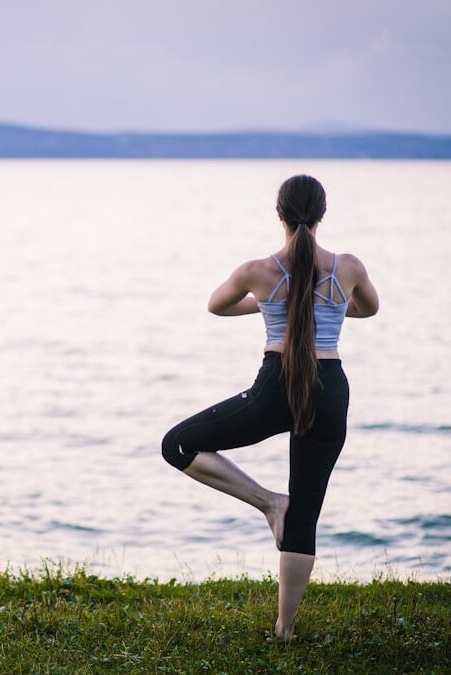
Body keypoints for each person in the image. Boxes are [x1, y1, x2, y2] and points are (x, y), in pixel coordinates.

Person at [160, 174, 380, 641]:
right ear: (323, 214)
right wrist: (332, 310)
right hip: (331, 388)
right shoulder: (349, 267)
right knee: (306, 515)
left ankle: (268, 503)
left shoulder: (257, 271)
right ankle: (284, 630)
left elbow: (217, 306)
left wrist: (264, 305)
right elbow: (368, 309)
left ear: (279, 214)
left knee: (177, 445)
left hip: (275, 387)